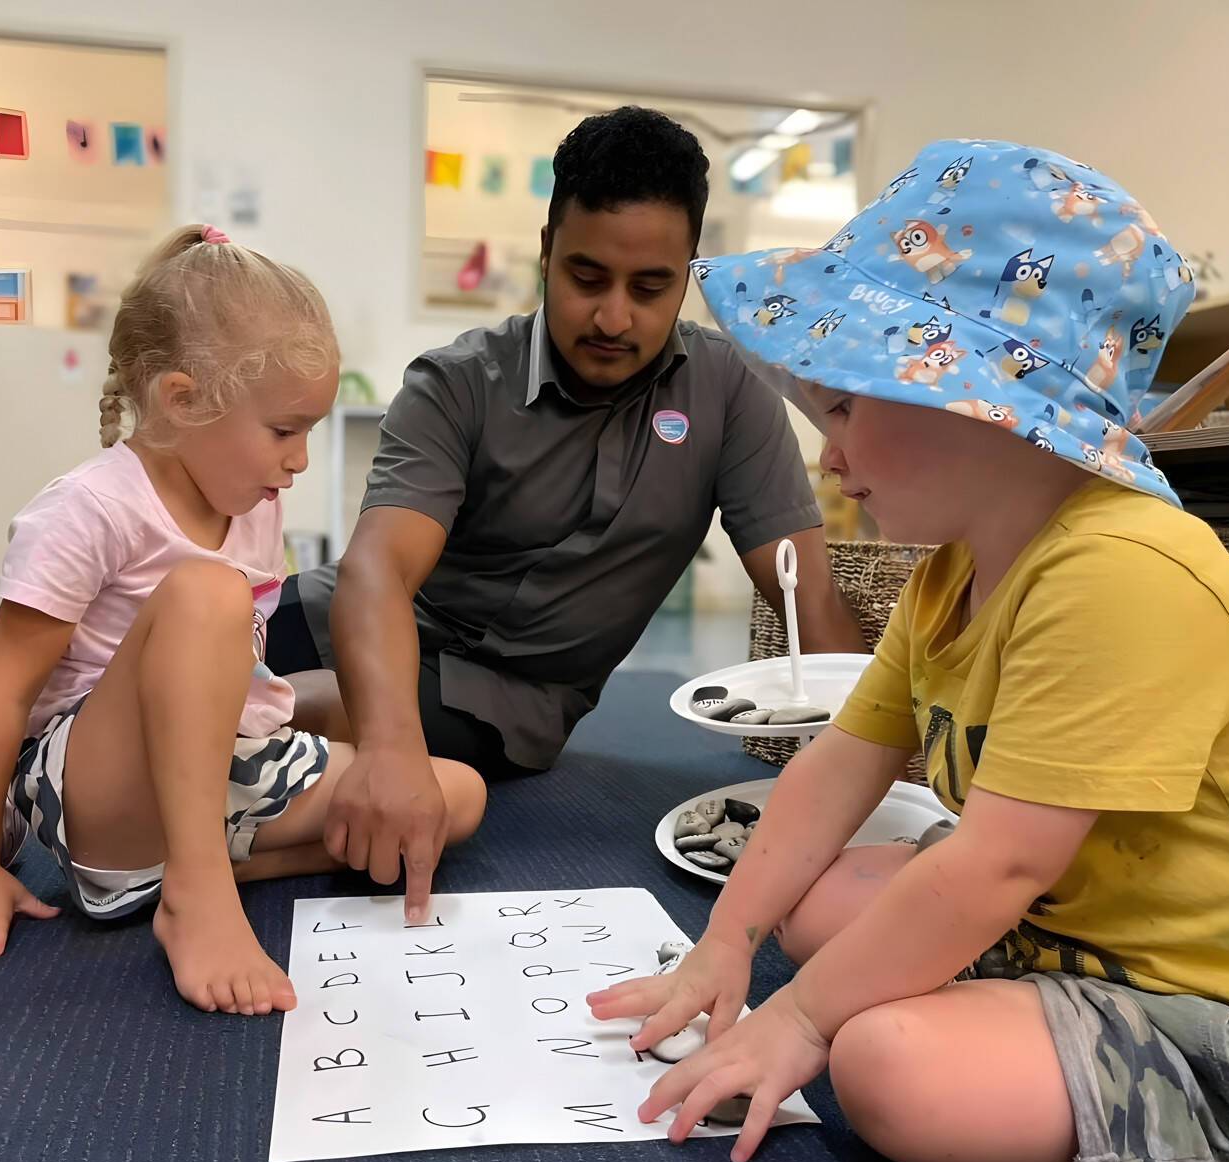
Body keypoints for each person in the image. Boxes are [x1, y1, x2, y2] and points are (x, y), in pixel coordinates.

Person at [589, 140, 1229, 1162]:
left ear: (982, 401)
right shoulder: (949, 577)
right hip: (1080, 926)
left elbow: (997, 868)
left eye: (845, 409)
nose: (829, 458)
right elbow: (837, 768)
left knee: (887, 1068)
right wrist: (726, 944)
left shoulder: (1123, 567)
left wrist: (798, 1018)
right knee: (814, 904)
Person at [266, 106, 865, 924]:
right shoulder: (458, 382)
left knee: (268, 714)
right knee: (171, 668)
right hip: (335, 620)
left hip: (500, 708)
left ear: (689, 276)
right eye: (587, 278)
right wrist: (391, 750)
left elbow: (807, 599)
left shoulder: (729, 394)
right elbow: (376, 569)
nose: (614, 318)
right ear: (547, 253)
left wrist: (885, 777)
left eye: (650, 288)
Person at [0, 225, 486, 1014]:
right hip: (99, 793)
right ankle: (197, 887)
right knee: (208, 594)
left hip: (216, 772)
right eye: (284, 431)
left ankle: (176, 872)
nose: (300, 459)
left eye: (309, 432)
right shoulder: (88, 509)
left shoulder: (251, 503)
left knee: (450, 797)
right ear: (180, 401)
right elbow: (2, 694)